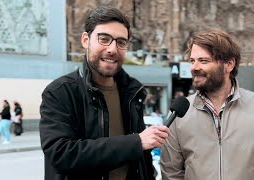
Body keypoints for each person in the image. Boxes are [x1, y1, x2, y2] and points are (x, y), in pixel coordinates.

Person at [39, 6, 169, 180]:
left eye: (121, 42)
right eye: (104, 39)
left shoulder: (132, 92)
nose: (112, 49)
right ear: (86, 40)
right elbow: (61, 154)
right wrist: (135, 142)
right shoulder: (60, 92)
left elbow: (141, 159)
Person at [160, 29, 254, 179]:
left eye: (203, 61)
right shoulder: (179, 113)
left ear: (229, 64)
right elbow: (171, 173)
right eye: (192, 60)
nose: (194, 67)